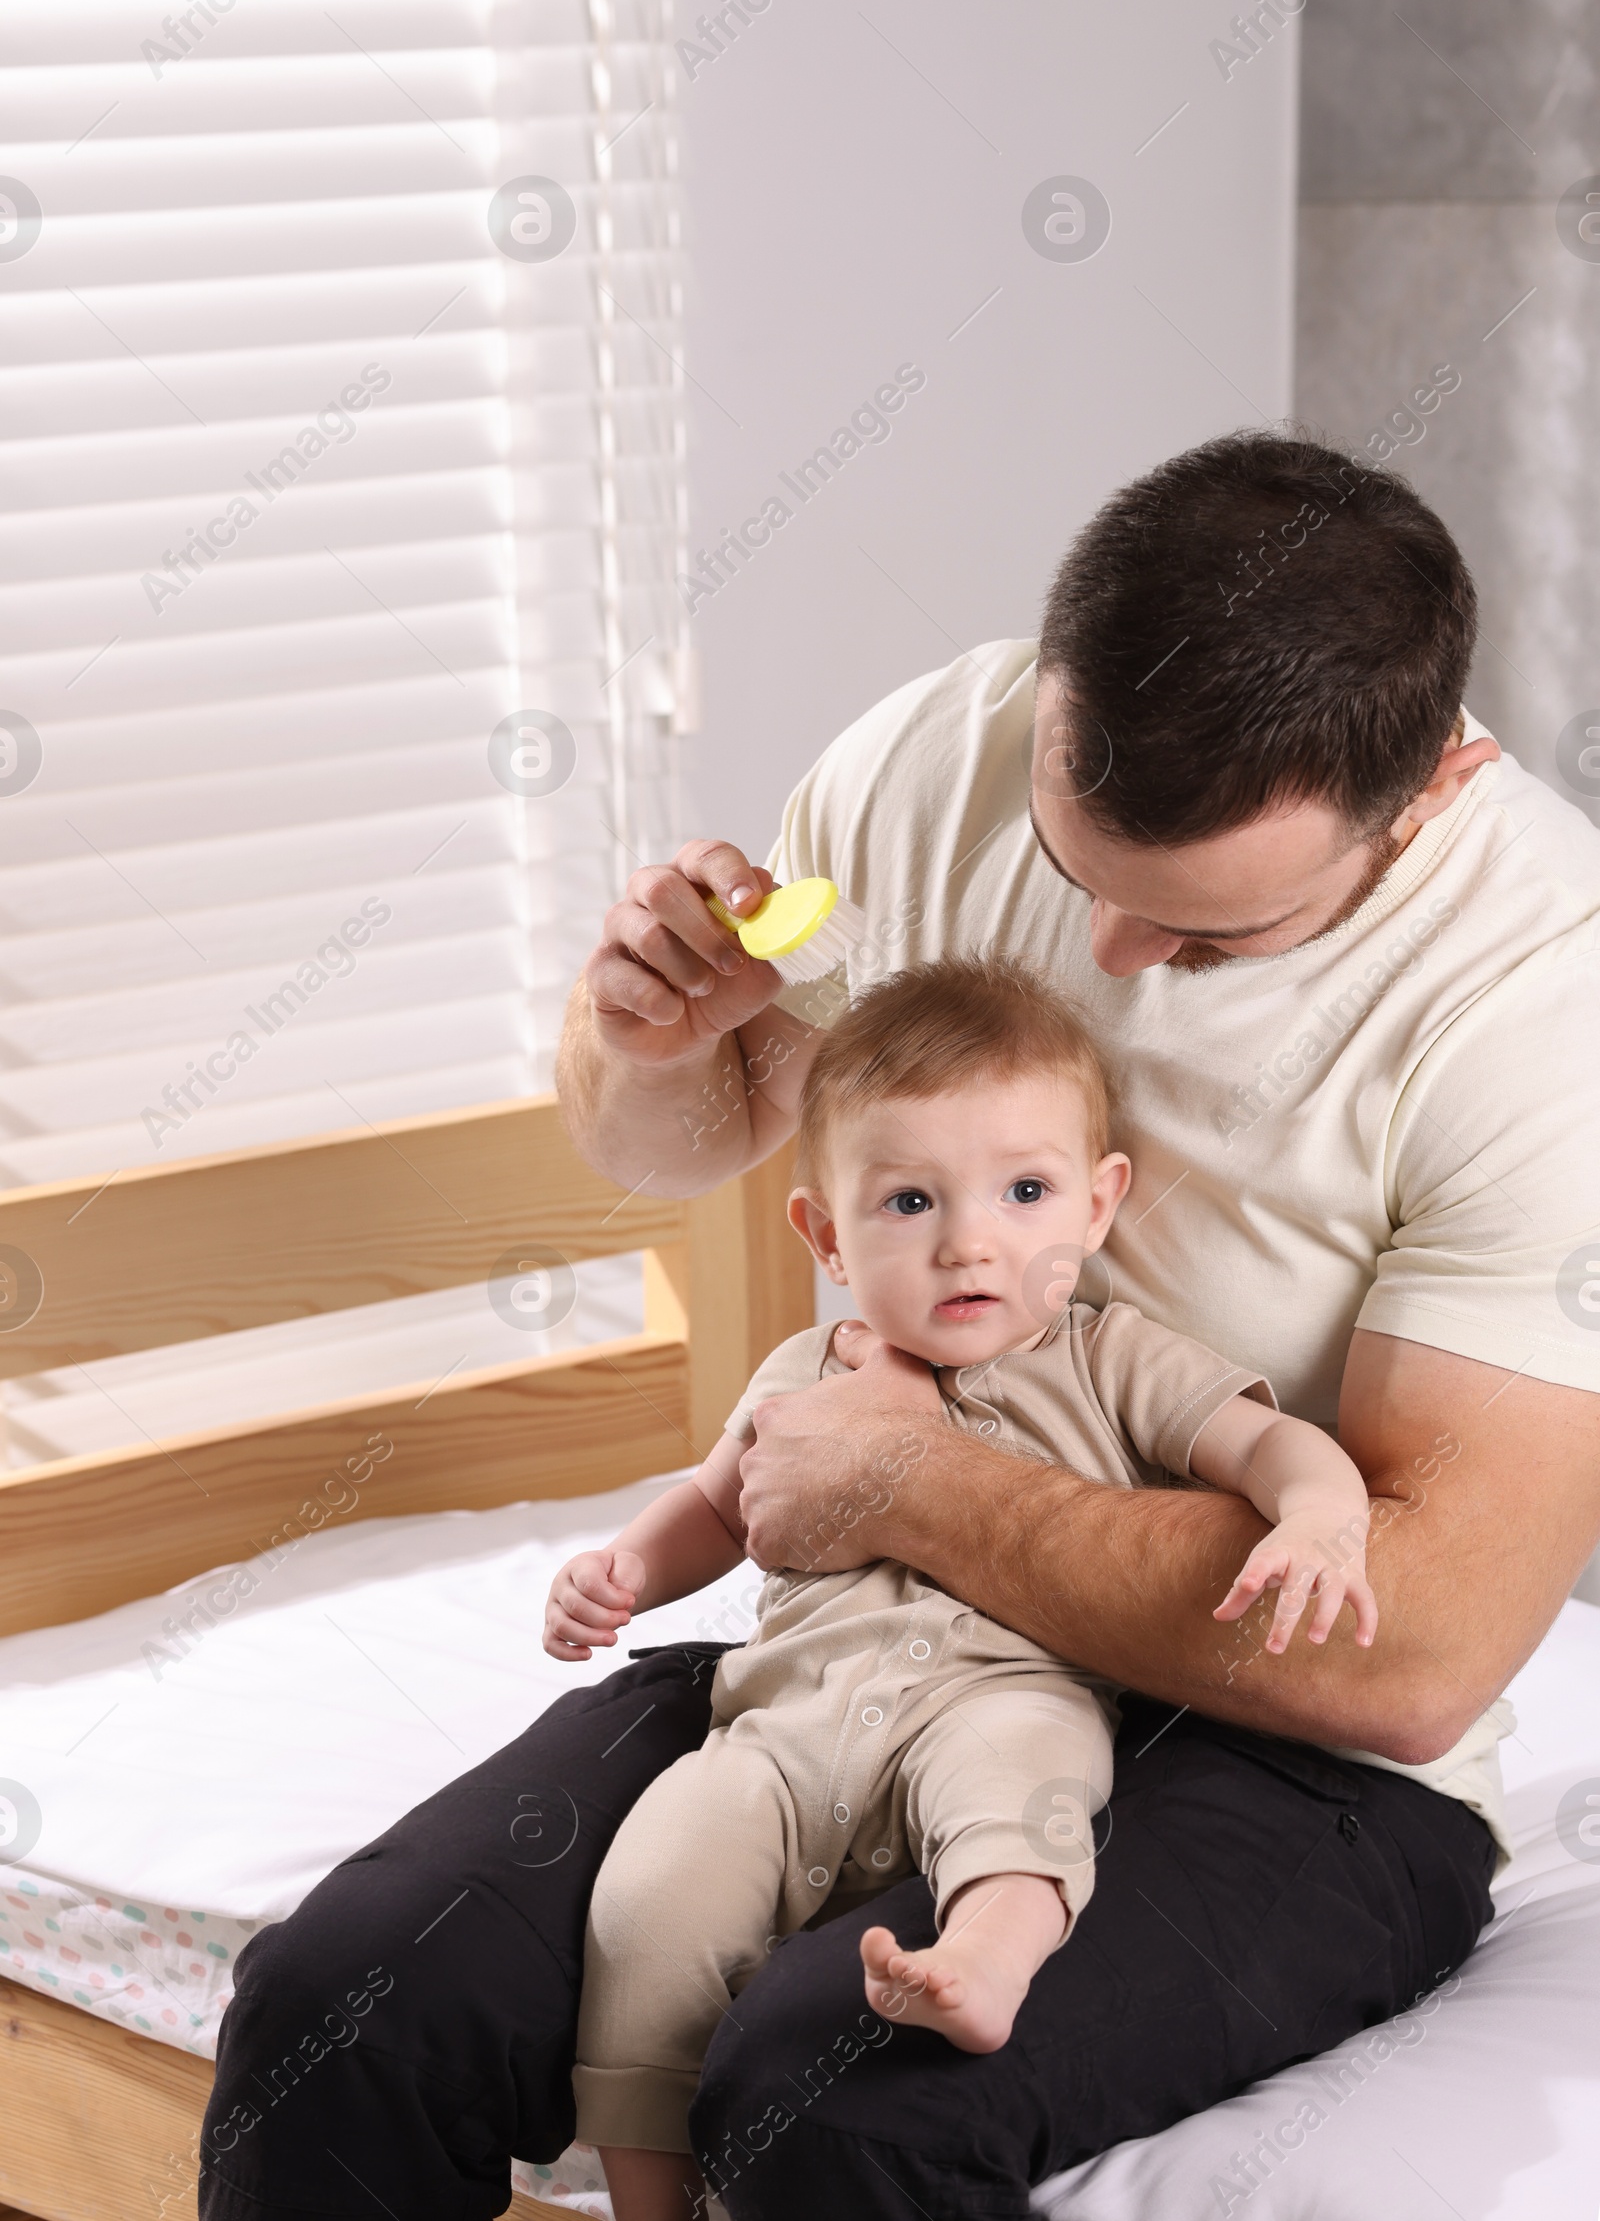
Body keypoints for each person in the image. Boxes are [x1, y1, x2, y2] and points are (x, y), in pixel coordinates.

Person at [200, 433, 1600, 2220]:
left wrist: (907, 1479)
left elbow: (1415, 1653)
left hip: (1286, 1763)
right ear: (1053, 682)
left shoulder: (1544, 992)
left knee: (823, 2088)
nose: (1103, 945)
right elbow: (700, 1131)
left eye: (1199, 932)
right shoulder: (940, 748)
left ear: (1431, 787)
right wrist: (640, 1040)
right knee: (345, 1999)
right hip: (846, 1641)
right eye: (1071, 850)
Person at [551, 956, 1382, 2221]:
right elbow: (715, 1507)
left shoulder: (1107, 1357)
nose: (968, 1239)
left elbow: (1265, 1445)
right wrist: (624, 1568)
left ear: (1099, 1204)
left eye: (1025, 1189)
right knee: (651, 1894)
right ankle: (652, 2196)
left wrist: (1321, 1516)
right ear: (824, 1231)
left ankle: (988, 1958)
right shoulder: (801, 1369)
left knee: (1030, 1790)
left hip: (1004, 1694)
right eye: (906, 1201)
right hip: (785, 1727)